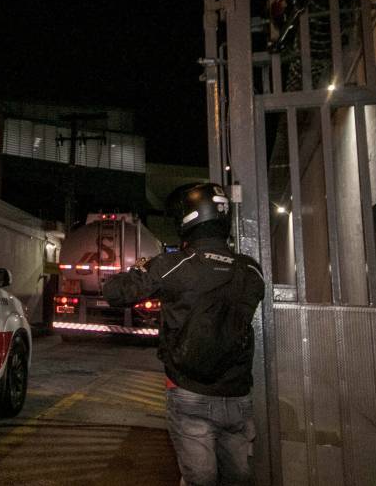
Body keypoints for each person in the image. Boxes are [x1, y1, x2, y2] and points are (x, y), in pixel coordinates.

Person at [102, 182, 265, 486]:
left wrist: (139, 268)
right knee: (239, 478)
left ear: (188, 219)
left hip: (190, 394)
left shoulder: (174, 266)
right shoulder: (251, 270)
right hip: (239, 396)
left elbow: (115, 292)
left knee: (199, 479)